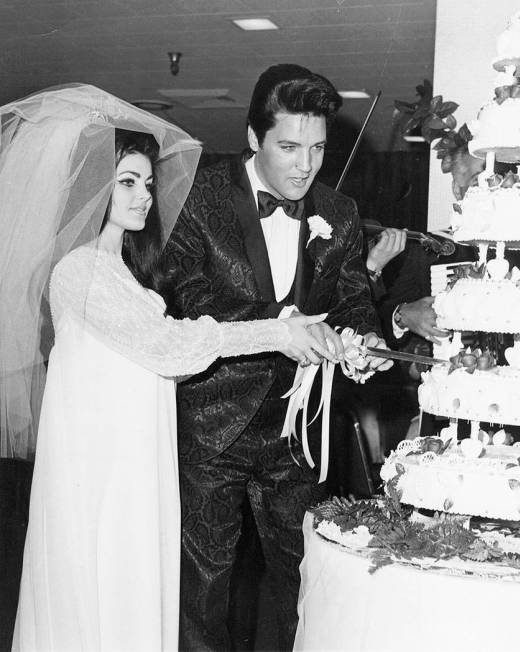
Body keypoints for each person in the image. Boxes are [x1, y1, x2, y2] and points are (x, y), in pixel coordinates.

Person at [2, 85, 335, 652]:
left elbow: (167, 363)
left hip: (138, 460)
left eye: (147, 184)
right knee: (105, 595)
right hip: (104, 472)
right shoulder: (80, 271)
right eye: (126, 182)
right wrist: (276, 331)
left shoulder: (122, 273)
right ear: (91, 186)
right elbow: (169, 349)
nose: (144, 196)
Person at [163, 63, 392, 651]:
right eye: (289, 147)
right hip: (215, 425)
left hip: (299, 435)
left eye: (317, 148)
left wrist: (363, 344)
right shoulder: (198, 195)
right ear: (252, 138)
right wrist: (278, 323)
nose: (305, 165)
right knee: (205, 590)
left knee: (299, 583)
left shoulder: (337, 213)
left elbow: (351, 299)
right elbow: (187, 295)